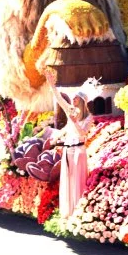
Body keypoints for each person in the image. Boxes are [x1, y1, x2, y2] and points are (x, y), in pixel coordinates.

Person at [48, 78, 99, 219]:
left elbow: (82, 134)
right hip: (68, 150)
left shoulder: (89, 117)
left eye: (76, 97)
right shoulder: (70, 110)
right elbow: (59, 99)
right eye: (74, 97)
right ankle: (68, 211)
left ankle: (78, 210)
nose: (73, 99)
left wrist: (75, 122)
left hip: (78, 151)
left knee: (77, 180)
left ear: (82, 100)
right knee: (68, 179)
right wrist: (52, 85)